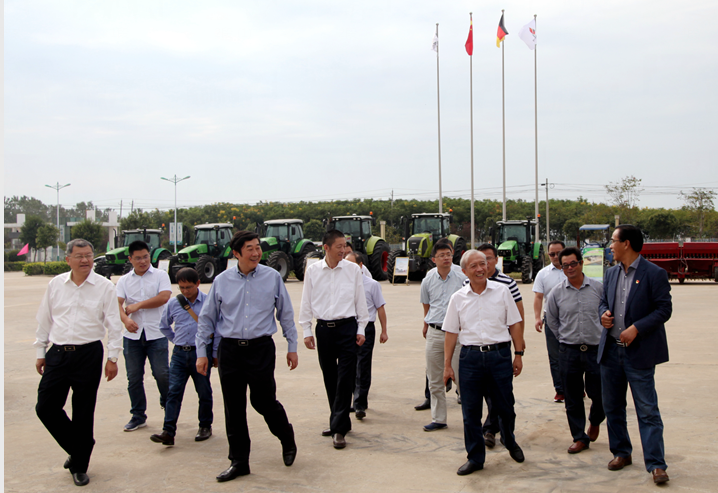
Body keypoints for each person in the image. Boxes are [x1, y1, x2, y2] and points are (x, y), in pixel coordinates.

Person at [196, 231, 298, 482]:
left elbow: (285, 313)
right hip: (230, 350)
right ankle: (239, 461)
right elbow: (207, 319)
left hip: (260, 349)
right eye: (249, 249)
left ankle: (286, 436)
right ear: (236, 253)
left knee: (263, 401)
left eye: (257, 247)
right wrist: (202, 353)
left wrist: (292, 346)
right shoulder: (221, 280)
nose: (256, 253)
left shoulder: (272, 277)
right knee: (233, 407)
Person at [34, 239, 123, 487]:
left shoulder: (104, 286)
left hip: (88, 354)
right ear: (68, 259)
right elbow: (45, 319)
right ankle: (80, 447)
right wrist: (41, 351)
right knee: (45, 407)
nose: (85, 260)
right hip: (58, 353)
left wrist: (113, 358)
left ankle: (80, 466)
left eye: (89, 255)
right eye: (79, 256)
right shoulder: (56, 284)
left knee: (83, 411)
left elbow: (114, 324)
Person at [598, 225, 672, 485]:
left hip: (638, 353)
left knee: (647, 410)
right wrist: (604, 315)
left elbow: (664, 309)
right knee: (613, 406)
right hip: (610, 351)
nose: (610, 246)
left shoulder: (654, 273)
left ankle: (656, 464)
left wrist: (637, 328)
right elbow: (603, 302)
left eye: (613, 241)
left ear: (626, 243)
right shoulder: (610, 273)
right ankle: (621, 452)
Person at [443, 250, 525, 475]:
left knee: (505, 407)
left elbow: (515, 323)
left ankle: (509, 440)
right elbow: (451, 332)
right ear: (464, 271)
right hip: (470, 359)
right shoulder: (458, 298)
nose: (480, 269)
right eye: (474, 266)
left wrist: (518, 354)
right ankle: (475, 458)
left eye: (483, 263)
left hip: (499, 356)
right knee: (470, 412)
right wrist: (447, 365)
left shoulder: (502, 291)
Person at [299, 229, 369, 449]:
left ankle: (338, 429)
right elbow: (306, 301)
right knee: (330, 377)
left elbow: (360, 300)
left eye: (344, 246)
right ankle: (338, 420)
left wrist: (362, 328)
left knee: (345, 378)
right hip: (324, 330)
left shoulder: (352, 270)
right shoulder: (313, 271)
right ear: (326, 248)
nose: (343, 250)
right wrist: (306, 330)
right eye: (339, 246)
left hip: (347, 328)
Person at [544, 247, 604, 454]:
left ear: (581, 263)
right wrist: (565, 338)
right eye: (565, 265)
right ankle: (579, 437)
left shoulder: (598, 289)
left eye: (573, 264)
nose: (570, 268)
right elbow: (552, 320)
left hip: (595, 350)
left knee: (600, 394)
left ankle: (595, 420)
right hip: (569, 351)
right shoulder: (556, 293)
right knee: (572, 397)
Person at [150, 267, 216, 446]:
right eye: (182, 288)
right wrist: (176, 340)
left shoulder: (208, 302)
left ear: (198, 283)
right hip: (179, 354)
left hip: (200, 354)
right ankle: (168, 431)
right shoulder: (174, 303)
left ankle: (205, 426)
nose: (185, 291)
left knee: (203, 391)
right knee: (173, 392)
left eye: (189, 287)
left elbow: (216, 329)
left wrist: (214, 353)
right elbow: (164, 326)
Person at [116, 240, 171, 432]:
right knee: (134, 378)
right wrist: (125, 320)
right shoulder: (124, 280)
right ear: (130, 259)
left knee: (162, 374)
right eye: (138, 258)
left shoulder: (160, 275)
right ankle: (138, 415)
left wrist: (137, 305)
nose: (143, 261)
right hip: (132, 336)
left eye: (146, 257)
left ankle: (169, 408)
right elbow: (117, 304)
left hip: (156, 333)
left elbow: (164, 297)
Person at [474, 243, 525, 448]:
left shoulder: (507, 283)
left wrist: (519, 342)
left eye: (489, 259)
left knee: (501, 394)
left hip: (500, 346)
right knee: (488, 392)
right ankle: (491, 429)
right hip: (478, 347)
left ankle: (498, 431)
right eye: (481, 260)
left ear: (496, 260)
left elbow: (518, 313)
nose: (484, 264)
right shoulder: (468, 283)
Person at [420, 239, 466, 432]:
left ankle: (470, 418)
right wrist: (426, 323)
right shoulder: (428, 279)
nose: (446, 258)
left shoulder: (462, 277)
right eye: (441, 255)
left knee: (461, 376)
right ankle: (438, 419)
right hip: (435, 332)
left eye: (448, 254)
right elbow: (426, 303)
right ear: (434, 259)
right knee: (434, 378)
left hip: (457, 334)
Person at [344, 251, 388, 420]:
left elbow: (380, 308)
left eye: (352, 264)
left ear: (361, 266)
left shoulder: (372, 285)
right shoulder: (343, 283)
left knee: (362, 366)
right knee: (348, 365)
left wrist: (384, 330)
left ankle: (360, 404)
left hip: (367, 328)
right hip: (348, 327)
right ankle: (351, 400)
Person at [533, 240, 566, 403]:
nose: (555, 257)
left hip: (572, 319)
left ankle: (577, 387)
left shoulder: (573, 271)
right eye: (552, 254)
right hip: (552, 319)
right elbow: (538, 297)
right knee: (555, 356)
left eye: (558, 253)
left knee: (575, 355)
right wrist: (537, 317)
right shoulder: (543, 274)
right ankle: (560, 390)